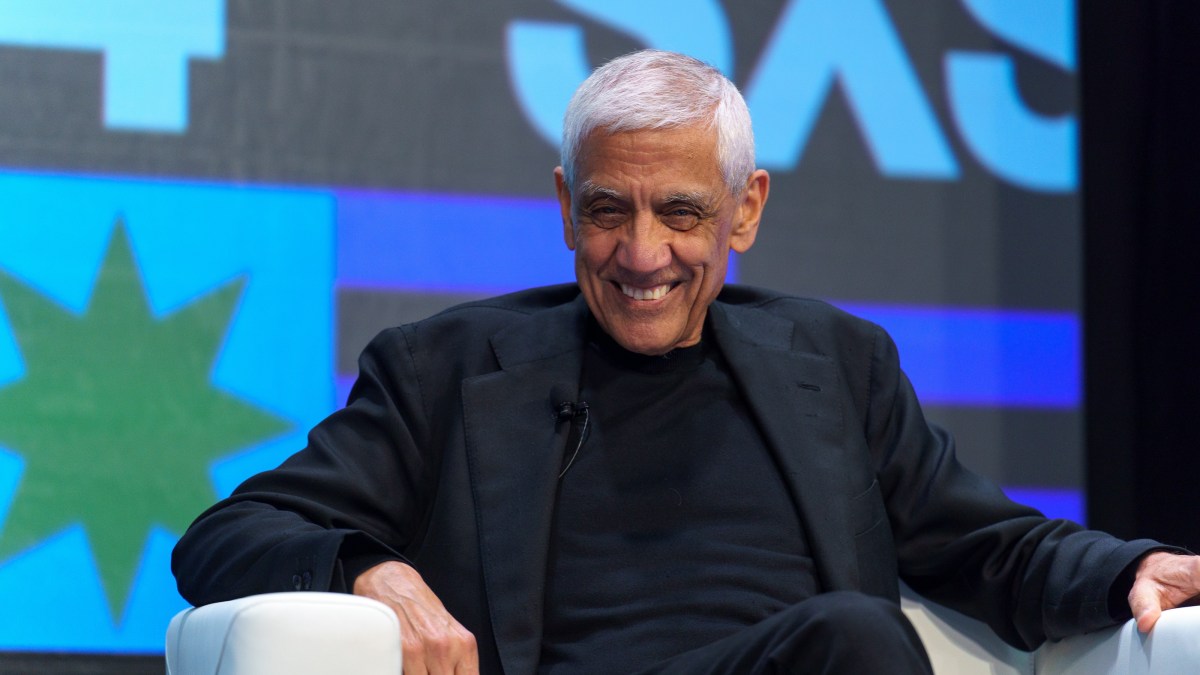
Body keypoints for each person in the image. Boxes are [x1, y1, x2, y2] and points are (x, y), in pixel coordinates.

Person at [173, 50, 1200, 674]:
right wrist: (370, 570)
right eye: (607, 210)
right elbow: (226, 535)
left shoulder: (836, 363)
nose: (642, 253)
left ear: (747, 208)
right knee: (854, 639)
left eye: (682, 213)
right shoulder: (444, 369)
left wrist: (1129, 571)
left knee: (849, 639)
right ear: (565, 204)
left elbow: (990, 548)